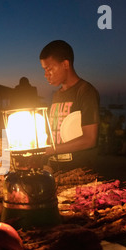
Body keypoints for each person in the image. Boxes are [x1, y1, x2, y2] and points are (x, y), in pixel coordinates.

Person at [40, 40, 100, 172]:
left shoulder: (85, 91)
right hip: (55, 167)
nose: (46, 75)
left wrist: (50, 150)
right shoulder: (57, 95)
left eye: (49, 69)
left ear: (65, 64)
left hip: (80, 169)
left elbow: (90, 139)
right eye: (44, 70)